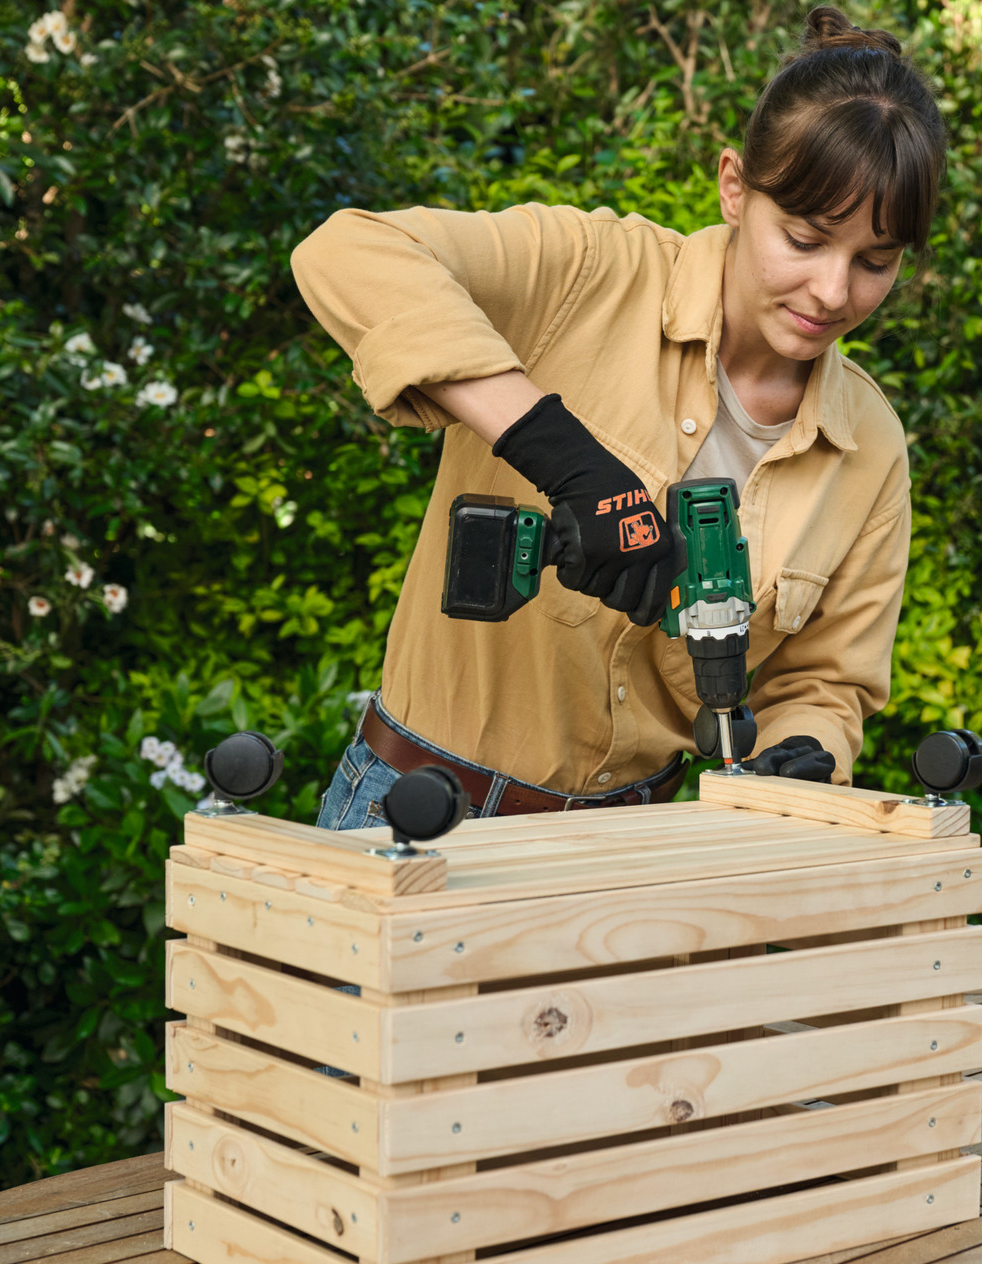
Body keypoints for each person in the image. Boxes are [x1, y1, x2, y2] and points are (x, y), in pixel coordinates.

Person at [293, 5, 947, 829]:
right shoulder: (588, 275)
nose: (832, 292)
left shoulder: (870, 447)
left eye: (874, 263)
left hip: (640, 847)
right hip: (419, 816)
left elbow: (826, 682)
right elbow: (347, 251)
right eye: (807, 239)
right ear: (736, 188)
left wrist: (806, 752)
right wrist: (567, 460)